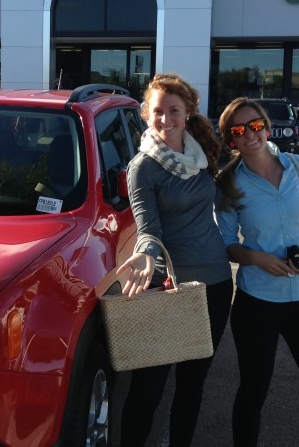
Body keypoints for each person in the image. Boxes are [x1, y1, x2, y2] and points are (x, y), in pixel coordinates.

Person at [215, 97, 299, 447]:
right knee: (253, 393)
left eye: (255, 125)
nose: (249, 135)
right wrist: (256, 258)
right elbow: (227, 242)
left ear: (267, 127)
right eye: (238, 130)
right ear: (231, 141)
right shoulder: (227, 183)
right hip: (257, 305)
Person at [116, 73, 234, 446]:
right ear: (146, 114)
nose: (165, 119)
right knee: (148, 388)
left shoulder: (203, 152)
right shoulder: (142, 168)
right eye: (157, 111)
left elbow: (234, 178)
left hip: (215, 281)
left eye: (173, 111)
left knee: (193, 383)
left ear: (187, 113)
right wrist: (147, 256)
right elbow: (147, 228)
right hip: (170, 287)